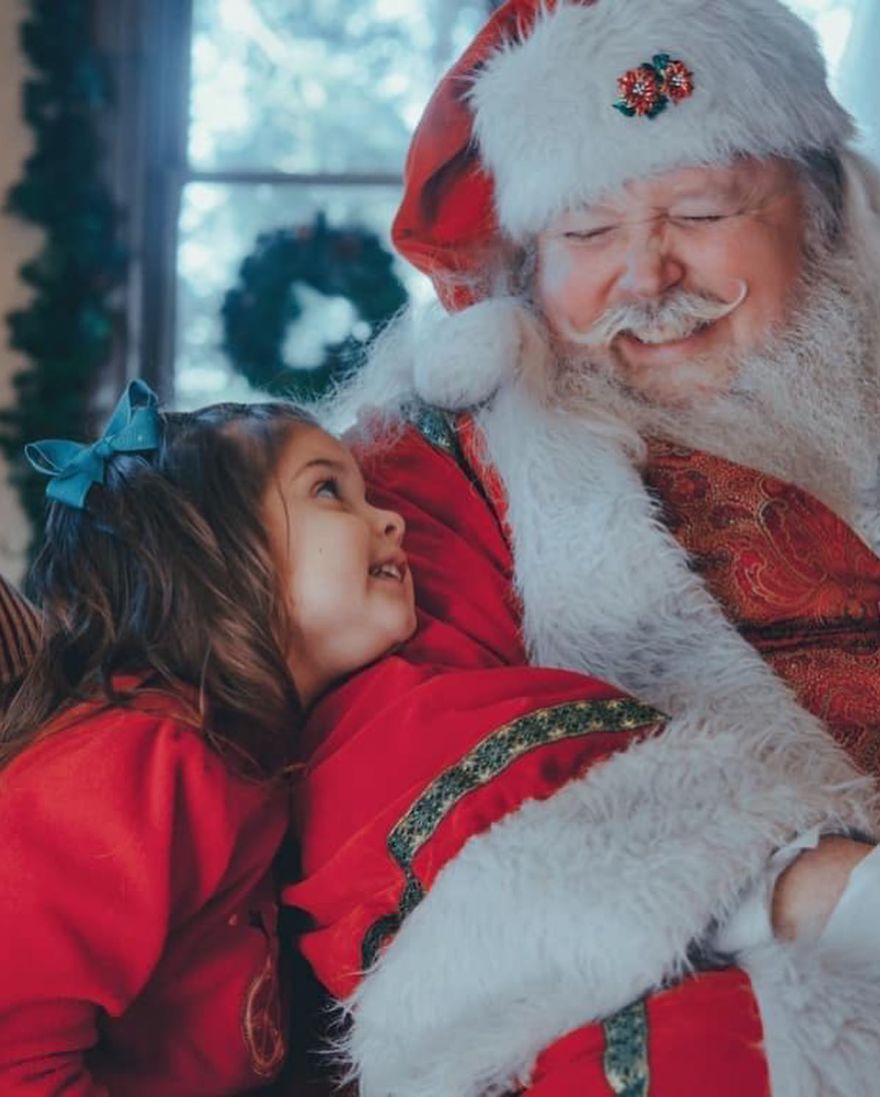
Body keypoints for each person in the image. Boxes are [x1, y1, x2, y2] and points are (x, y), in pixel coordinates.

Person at [283, 0, 880, 1094]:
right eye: (588, 234)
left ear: (822, 207)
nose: (646, 279)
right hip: (739, 959)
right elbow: (383, 738)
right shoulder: (437, 465)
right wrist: (805, 885)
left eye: (699, 211)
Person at [0, 380, 416, 1095]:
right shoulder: (135, 765)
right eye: (328, 491)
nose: (391, 521)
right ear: (214, 552)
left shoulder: (257, 749)